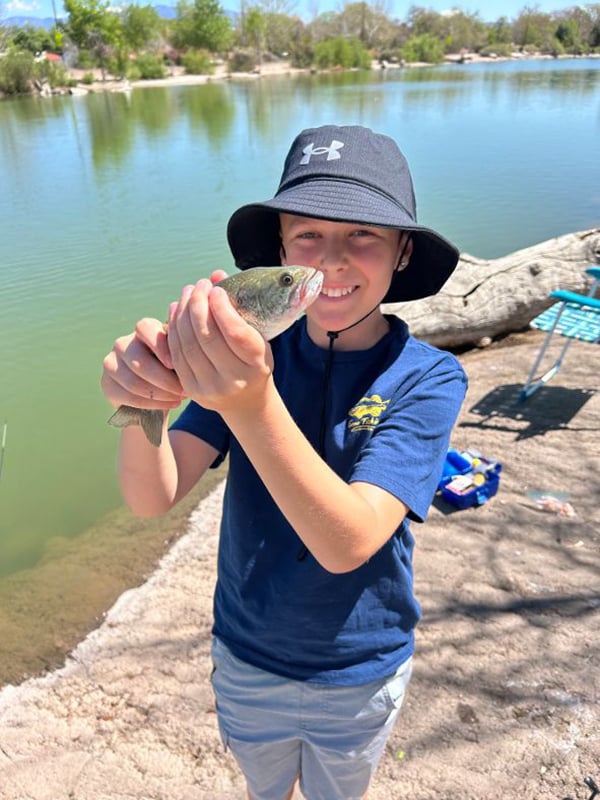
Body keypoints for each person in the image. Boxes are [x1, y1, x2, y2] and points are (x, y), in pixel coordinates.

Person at [101, 124, 468, 800]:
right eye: (307, 235)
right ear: (278, 249)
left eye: (363, 234)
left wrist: (249, 401)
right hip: (248, 654)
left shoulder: (429, 378)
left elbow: (348, 541)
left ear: (403, 251)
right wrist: (142, 399)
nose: (330, 261)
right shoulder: (244, 355)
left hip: (359, 666)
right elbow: (154, 497)